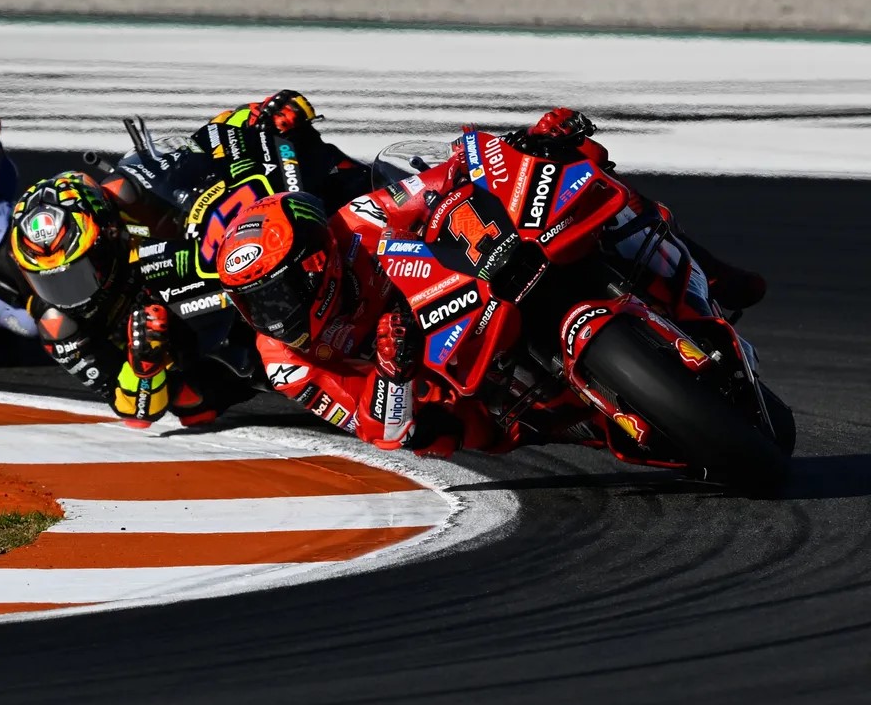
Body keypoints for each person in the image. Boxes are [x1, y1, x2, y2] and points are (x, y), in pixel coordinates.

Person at [215, 108, 766, 456]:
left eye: (276, 294)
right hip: (451, 378)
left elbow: (441, 180)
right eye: (254, 303)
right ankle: (601, 417)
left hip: (476, 288)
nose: (271, 314)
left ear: (317, 262)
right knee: (442, 434)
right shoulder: (284, 362)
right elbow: (380, 432)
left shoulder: (355, 223)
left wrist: (526, 144)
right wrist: (391, 371)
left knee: (587, 172)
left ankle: (710, 275)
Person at [10, 90, 374, 427]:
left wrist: (259, 116)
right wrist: (144, 364)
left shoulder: (123, 195)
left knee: (313, 170)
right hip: (185, 348)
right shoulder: (58, 324)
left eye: (78, 273)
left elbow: (204, 142)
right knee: (192, 402)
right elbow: (135, 413)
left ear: (107, 237)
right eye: (50, 281)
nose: (70, 293)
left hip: (206, 267)